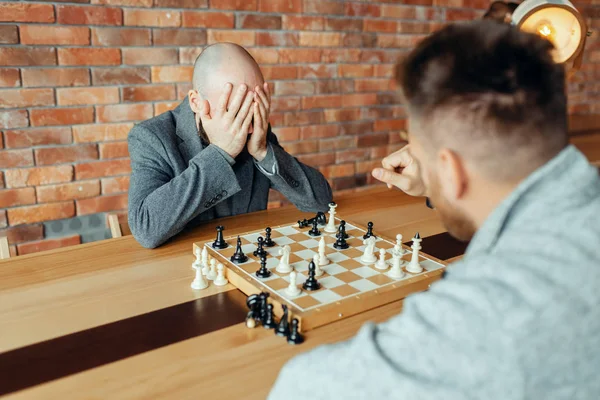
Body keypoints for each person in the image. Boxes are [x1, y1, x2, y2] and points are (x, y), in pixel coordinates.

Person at [269, 21, 600, 399]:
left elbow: (298, 388)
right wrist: (435, 183)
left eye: (418, 149)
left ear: (452, 169)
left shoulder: (490, 319)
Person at [127, 43, 332, 248]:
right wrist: (221, 153)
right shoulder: (151, 137)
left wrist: (263, 152)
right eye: (235, 110)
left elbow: (323, 202)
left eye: (254, 106)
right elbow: (146, 229)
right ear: (196, 102)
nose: (248, 126)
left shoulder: (255, 130)